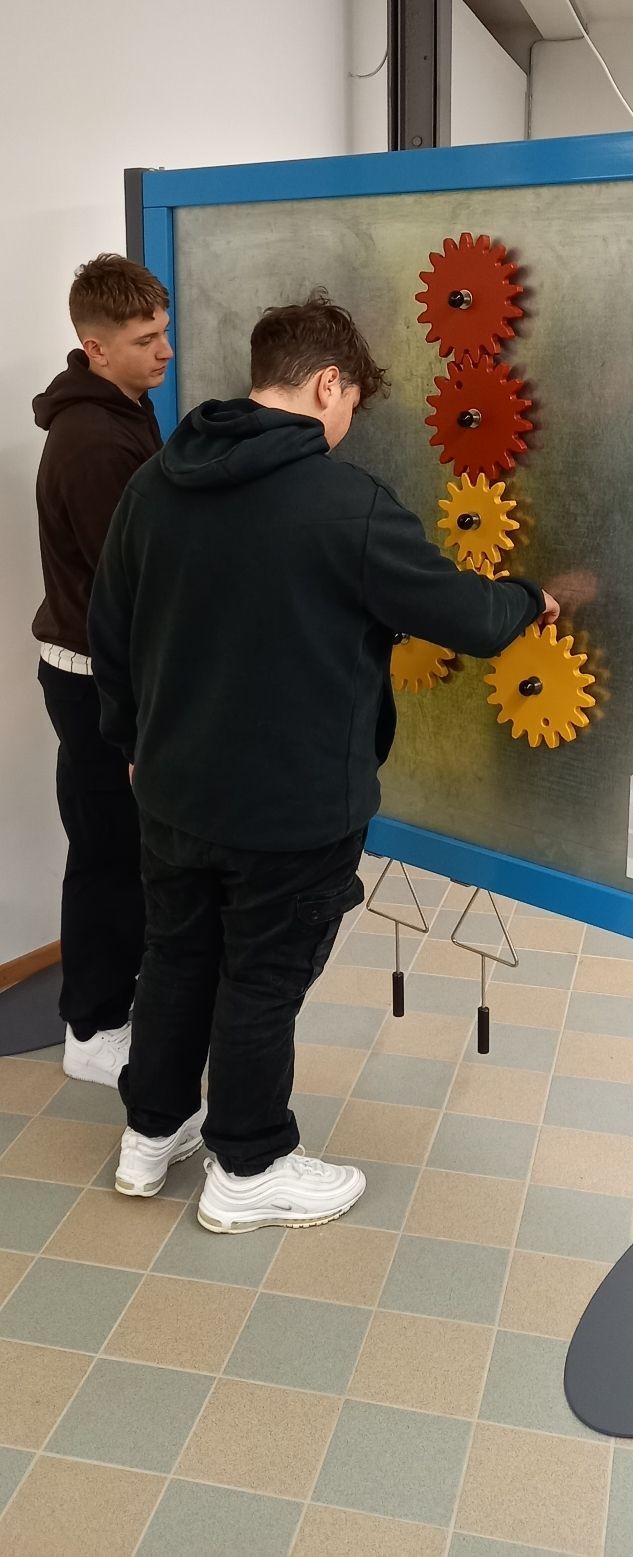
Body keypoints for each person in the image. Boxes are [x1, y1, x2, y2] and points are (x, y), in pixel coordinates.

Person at [88, 290, 559, 1234]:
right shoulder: (344, 504)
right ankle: (249, 1164)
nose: (346, 425)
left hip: (173, 793)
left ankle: (152, 1131)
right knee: (263, 978)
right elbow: (465, 617)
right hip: (291, 811)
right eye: (351, 404)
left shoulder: (156, 482)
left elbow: (112, 629)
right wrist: (529, 599)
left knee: (177, 957)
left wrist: (133, 744)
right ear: (327, 383)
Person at [32, 254, 173, 1086]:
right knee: (107, 853)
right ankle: (91, 1030)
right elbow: (129, 588)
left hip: (102, 670)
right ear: (96, 347)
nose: (165, 350)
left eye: (163, 331)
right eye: (147, 338)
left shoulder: (126, 409)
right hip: (95, 679)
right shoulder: (91, 442)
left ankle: (116, 1002)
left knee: (121, 847)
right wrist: (135, 718)